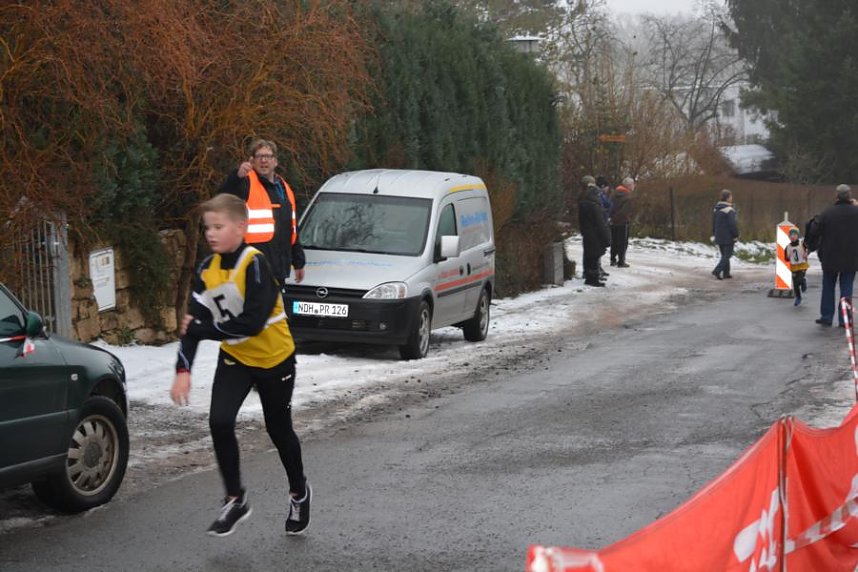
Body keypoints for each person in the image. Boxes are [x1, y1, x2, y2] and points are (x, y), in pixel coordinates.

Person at [171, 193, 311, 537]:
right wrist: (182, 370)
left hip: (275, 359)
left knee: (279, 430)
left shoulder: (255, 264)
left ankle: (299, 491)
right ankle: (235, 499)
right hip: (236, 357)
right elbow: (192, 326)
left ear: (241, 226)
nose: (211, 234)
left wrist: (204, 330)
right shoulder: (207, 270)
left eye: (218, 226)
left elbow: (252, 322)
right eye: (207, 228)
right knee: (219, 421)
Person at [220, 139, 306, 287]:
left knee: (274, 309)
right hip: (251, 268)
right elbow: (223, 199)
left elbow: (291, 228)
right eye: (259, 156)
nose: (264, 160)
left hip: (278, 271)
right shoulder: (245, 183)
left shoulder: (285, 189)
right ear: (252, 161)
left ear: (275, 161)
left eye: (268, 156)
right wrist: (236, 177)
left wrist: (298, 261)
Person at [811, 184, 858, 327]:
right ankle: (845, 319)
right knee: (847, 286)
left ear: (836, 196)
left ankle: (826, 316)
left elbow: (814, 231)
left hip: (830, 256)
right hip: (851, 256)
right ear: (849, 196)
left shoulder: (827, 213)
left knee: (828, 285)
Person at [578, 175, 611, 287]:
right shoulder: (594, 205)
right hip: (595, 233)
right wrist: (606, 237)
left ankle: (590, 276)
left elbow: (581, 220)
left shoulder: (583, 202)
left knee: (589, 255)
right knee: (594, 256)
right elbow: (600, 222)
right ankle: (593, 278)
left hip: (587, 232)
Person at [711, 189, 739, 280]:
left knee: (724, 255)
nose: (732, 198)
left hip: (719, 235)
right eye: (731, 196)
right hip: (728, 236)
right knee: (727, 255)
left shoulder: (716, 208)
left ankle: (726, 273)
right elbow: (732, 224)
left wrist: (714, 233)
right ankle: (717, 271)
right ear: (727, 198)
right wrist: (735, 234)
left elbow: (713, 222)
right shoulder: (729, 210)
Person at [609, 177, 635, 268]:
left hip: (612, 222)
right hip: (623, 222)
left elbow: (609, 206)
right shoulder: (628, 197)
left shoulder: (613, 194)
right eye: (633, 184)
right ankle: (621, 261)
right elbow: (625, 211)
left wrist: (612, 218)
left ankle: (612, 259)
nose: (634, 186)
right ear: (628, 185)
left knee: (614, 241)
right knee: (623, 242)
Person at [784, 227, 809, 306]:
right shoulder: (788, 247)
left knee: (800, 279)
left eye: (794, 235)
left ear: (797, 236)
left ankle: (803, 282)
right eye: (791, 235)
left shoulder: (802, 244)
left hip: (802, 265)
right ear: (789, 236)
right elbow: (786, 258)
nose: (793, 236)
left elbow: (808, 249)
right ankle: (798, 297)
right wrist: (788, 257)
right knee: (795, 284)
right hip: (794, 267)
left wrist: (806, 253)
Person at [595, 176, 613, 281]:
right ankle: (596, 268)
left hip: (604, 221)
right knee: (597, 248)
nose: (608, 189)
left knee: (600, 247)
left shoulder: (601, 195)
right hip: (600, 223)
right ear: (602, 186)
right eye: (606, 187)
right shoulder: (599, 196)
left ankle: (598, 267)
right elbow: (606, 206)